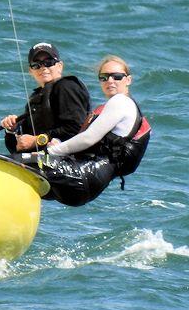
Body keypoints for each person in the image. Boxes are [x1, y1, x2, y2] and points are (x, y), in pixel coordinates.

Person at [42, 54, 151, 206]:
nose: (110, 81)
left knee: (22, 163)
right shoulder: (121, 108)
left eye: (117, 77)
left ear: (128, 80)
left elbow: (89, 138)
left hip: (81, 176)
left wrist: (52, 152)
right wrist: (58, 144)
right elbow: (87, 142)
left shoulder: (120, 102)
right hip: (89, 185)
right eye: (104, 77)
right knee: (31, 178)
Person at [0, 42, 90, 153]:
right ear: (31, 71)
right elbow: (17, 148)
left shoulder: (66, 87)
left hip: (70, 161)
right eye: (36, 65)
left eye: (49, 62)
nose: (43, 68)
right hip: (38, 162)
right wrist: (11, 130)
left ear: (60, 66)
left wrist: (37, 140)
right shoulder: (35, 99)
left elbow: (76, 127)